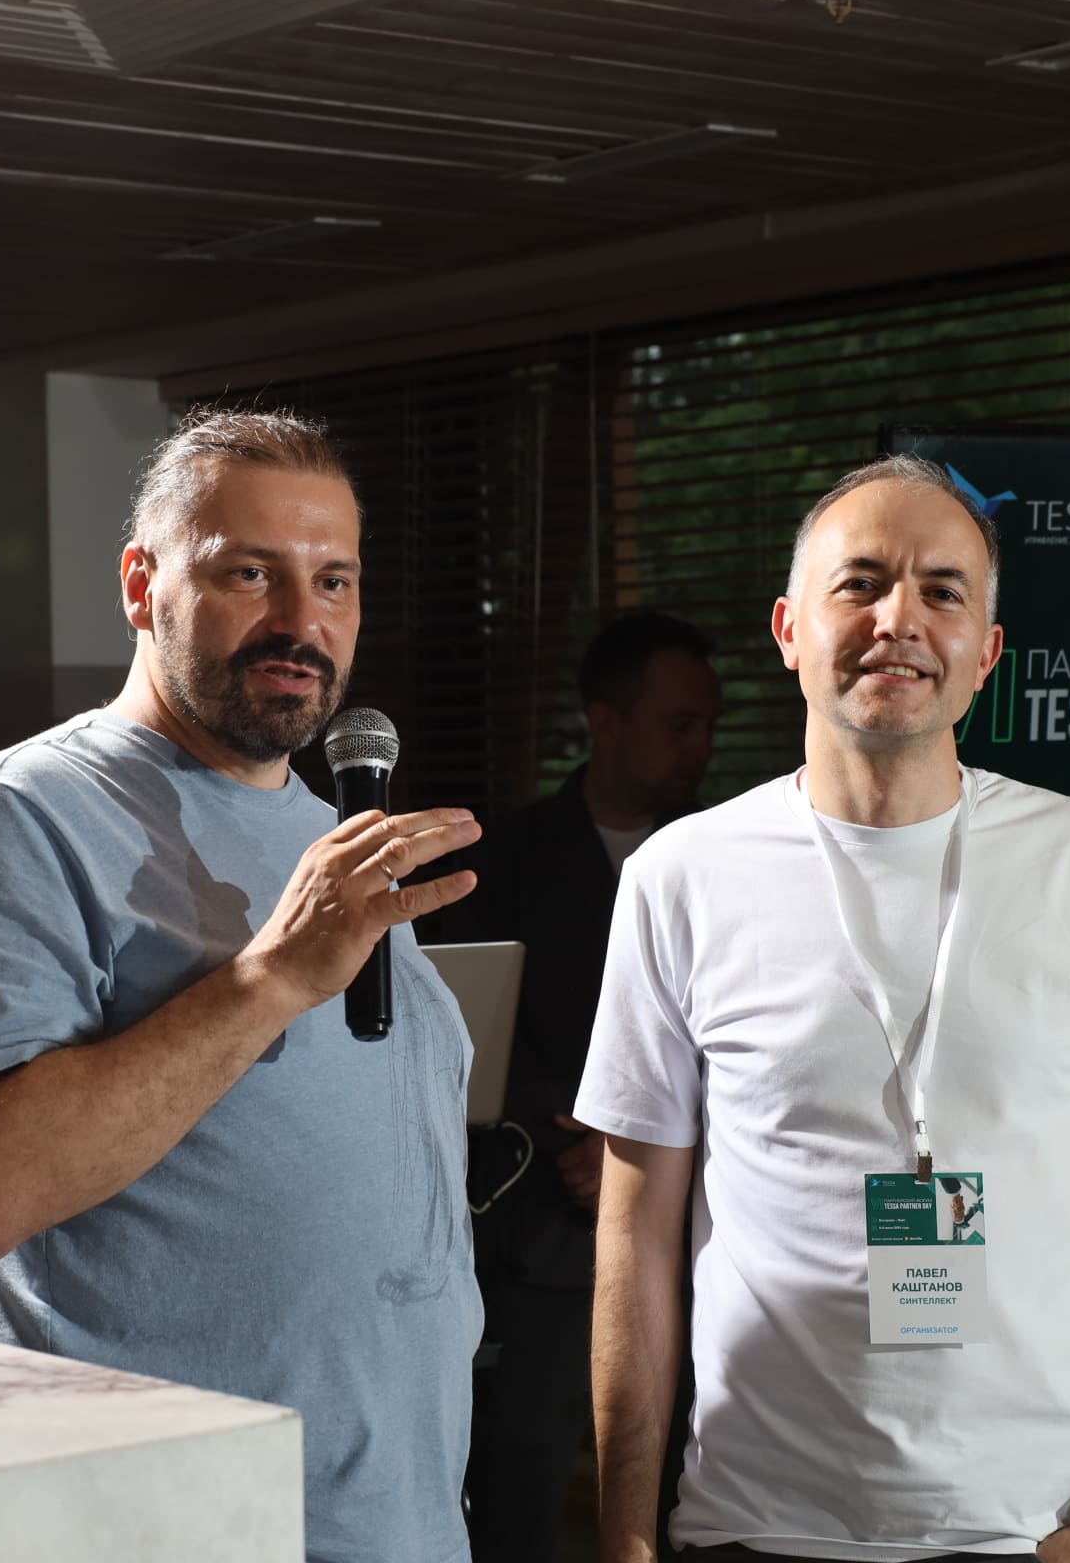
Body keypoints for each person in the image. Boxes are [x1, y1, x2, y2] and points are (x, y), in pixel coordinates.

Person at [581, 455, 1070, 1563]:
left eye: (943, 591)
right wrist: (623, 1533)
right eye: (860, 583)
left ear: (986, 652)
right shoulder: (680, 878)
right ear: (789, 628)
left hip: (1035, 1532)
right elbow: (634, 1230)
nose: (899, 619)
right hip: (755, 1528)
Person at [0, 409, 485, 1563]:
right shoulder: (23, 815)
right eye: (250, 573)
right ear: (140, 585)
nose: (302, 620)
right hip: (157, 1525)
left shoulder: (333, 839)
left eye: (334, 580)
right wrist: (268, 979)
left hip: (389, 1521)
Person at [445, 611, 722, 1563]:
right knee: (520, 1483)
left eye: (709, 725)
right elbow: (461, 1029)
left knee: (693, 1490)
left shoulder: (724, 860)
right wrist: (585, 1132)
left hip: (705, 1227)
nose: (701, 746)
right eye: (679, 724)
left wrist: (643, 1148)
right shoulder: (504, 857)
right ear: (606, 722)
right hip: (543, 1220)